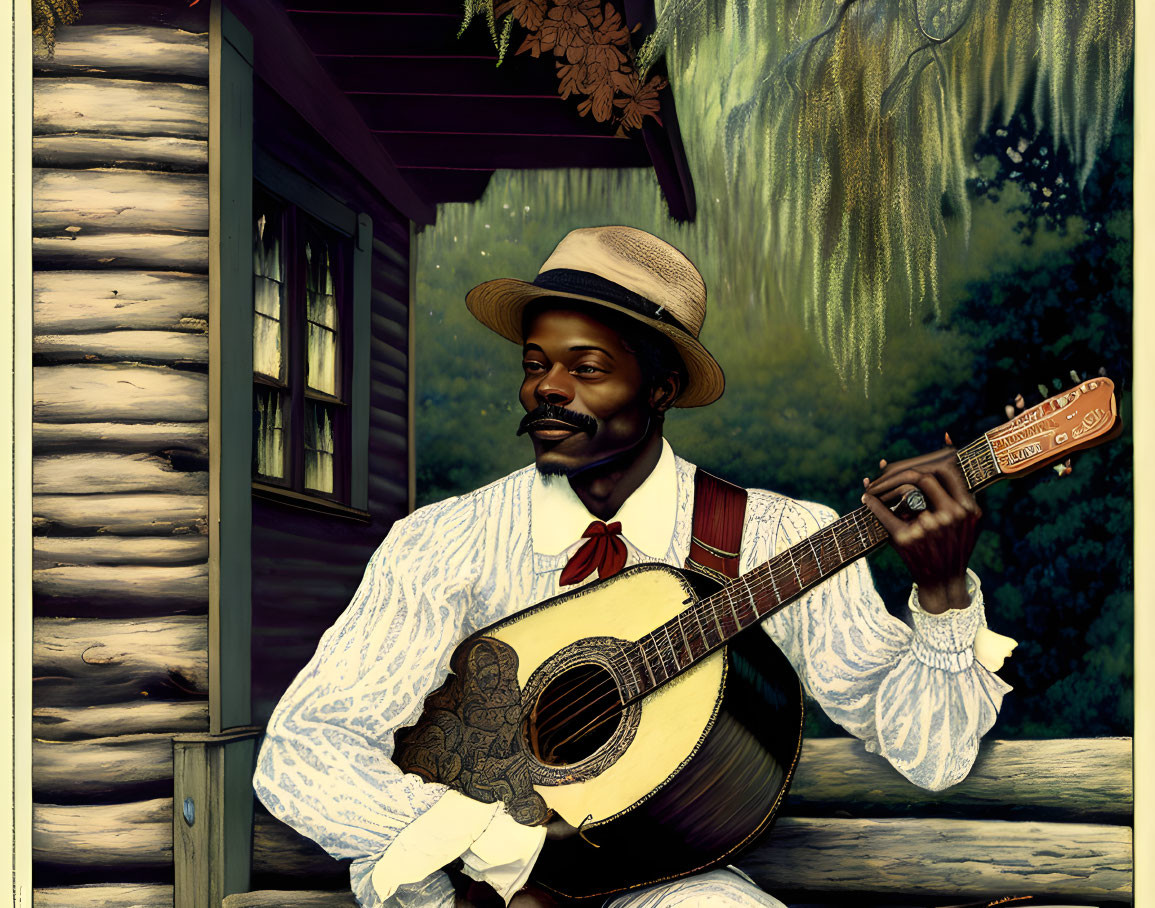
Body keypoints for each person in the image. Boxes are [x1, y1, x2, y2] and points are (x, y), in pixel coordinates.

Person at [253, 226, 1016, 908]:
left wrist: (942, 592)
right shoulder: (444, 541)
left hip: (657, 877)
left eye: (585, 368)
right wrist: (495, 845)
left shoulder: (774, 536)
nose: (547, 388)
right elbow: (302, 749)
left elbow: (934, 756)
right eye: (535, 364)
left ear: (661, 388)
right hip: (454, 880)